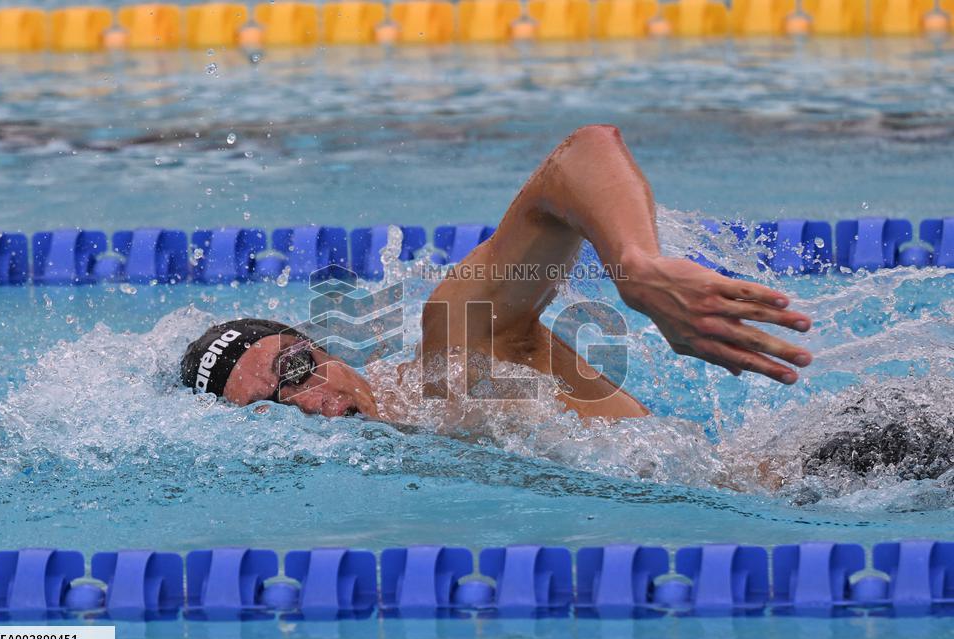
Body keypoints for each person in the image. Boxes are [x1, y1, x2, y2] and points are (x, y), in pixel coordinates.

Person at [180, 125, 813, 420]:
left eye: (295, 371)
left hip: (814, 473)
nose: (309, 405)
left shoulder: (454, 359)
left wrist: (637, 267)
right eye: (270, 411)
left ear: (324, 347)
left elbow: (580, 156)